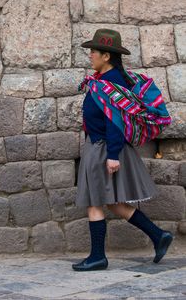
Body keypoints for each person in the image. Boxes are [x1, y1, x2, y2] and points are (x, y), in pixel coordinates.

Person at [72, 28, 173, 272]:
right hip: (100, 145)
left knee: (95, 202)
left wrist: (113, 156)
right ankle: (158, 235)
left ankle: (97, 257)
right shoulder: (105, 81)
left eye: (93, 51)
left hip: (103, 147)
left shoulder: (111, 84)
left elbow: (115, 121)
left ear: (106, 56)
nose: (90, 55)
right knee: (115, 203)